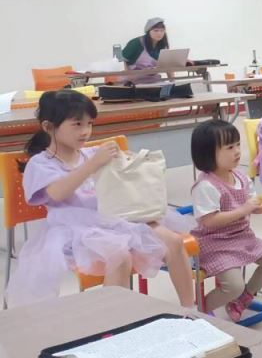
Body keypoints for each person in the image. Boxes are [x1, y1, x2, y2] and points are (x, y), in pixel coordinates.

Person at [6, 90, 195, 308]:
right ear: (49, 127)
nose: (85, 131)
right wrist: (93, 164)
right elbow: (57, 193)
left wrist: (127, 161)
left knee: (174, 242)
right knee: (120, 256)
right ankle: (114, 322)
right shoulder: (40, 163)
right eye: (77, 124)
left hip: (115, 216)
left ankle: (189, 310)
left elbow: (120, 177)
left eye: (89, 124)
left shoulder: (90, 153)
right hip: (75, 229)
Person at [190, 120, 262, 321]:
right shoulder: (205, 185)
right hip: (214, 244)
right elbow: (209, 221)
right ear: (208, 153)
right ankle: (203, 308)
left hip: (242, 237)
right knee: (233, 285)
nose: (237, 151)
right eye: (229, 147)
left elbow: (251, 203)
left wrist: (258, 207)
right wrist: (243, 210)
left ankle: (243, 298)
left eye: (238, 145)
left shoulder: (241, 177)